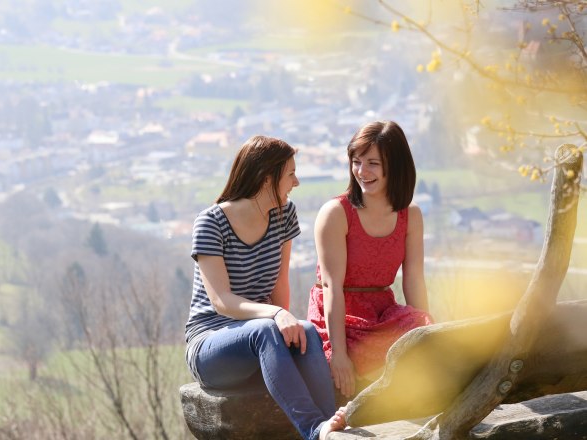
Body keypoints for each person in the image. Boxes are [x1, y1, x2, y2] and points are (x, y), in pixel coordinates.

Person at [185, 135, 346, 440]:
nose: (296, 182)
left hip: (260, 335)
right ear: (266, 178)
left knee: (306, 332)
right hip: (210, 343)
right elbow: (221, 301)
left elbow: (279, 284)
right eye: (290, 174)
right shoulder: (210, 222)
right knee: (267, 330)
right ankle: (314, 429)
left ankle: (330, 428)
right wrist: (275, 315)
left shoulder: (284, 215)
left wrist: (284, 320)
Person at [307, 121, 433, 400]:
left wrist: (426, 333)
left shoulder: (410, 215)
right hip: (340, 316)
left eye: (373, 163)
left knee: (426, 337)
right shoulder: (336, 213)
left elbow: (413, 279)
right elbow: (331, 287)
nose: (362, 172)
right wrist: (338, 354)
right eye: (356, 161)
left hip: (381, 312)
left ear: (395, 165)